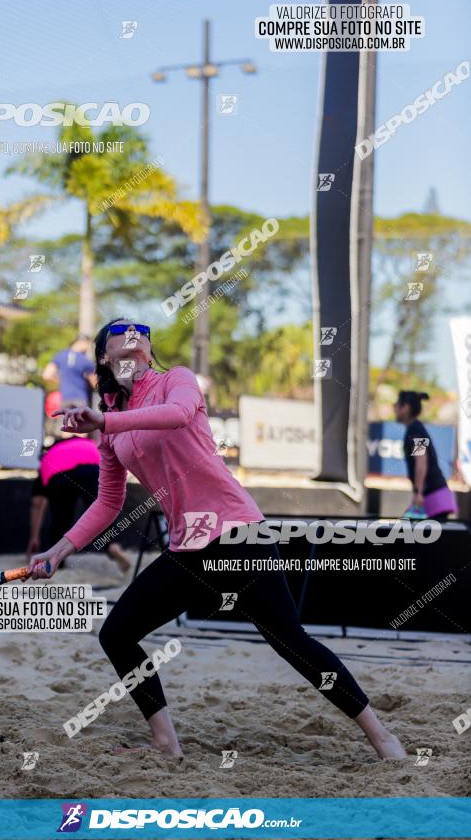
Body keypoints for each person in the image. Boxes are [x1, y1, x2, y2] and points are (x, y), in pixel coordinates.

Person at [28, 318, 406, 761]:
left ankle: (382, 737)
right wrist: (58, 550)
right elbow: (108, 503)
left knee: (289, 640)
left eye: (140, 342)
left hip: (237, 533)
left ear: (149, 353)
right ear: (105, 358)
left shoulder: (176, 381)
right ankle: (166, 743)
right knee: (118, 633)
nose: (132, 347)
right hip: (188, 548)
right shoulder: (111, 423)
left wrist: (106, 419)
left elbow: (179, 415)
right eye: (121, 344)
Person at [27, 433, 131, 573]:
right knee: (103, 511)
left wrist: (34, 538)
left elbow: (37, 504)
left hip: (59, 474)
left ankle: (57, 561)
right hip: (94, 466)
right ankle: (113, 546)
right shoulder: (87, 442)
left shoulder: (49, 456)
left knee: (61, 520)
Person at [394, 390, 457, 521]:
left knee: (405, 533)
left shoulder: (416, 430)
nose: (394, 408)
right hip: (433, 497)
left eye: (397, 404)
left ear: (405, 407)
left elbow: (421, 461)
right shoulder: (415, 429)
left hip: (434, 498)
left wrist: (418, 493)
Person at [43, 335, 97, 407]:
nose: (88, 348)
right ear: (82, 343)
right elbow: (95, 383)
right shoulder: (86, 361)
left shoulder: (60, 355)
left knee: (65, 417)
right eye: (88, 344)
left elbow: (46, 375)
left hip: (65, 399)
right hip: (81, 399)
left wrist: (61, 383)